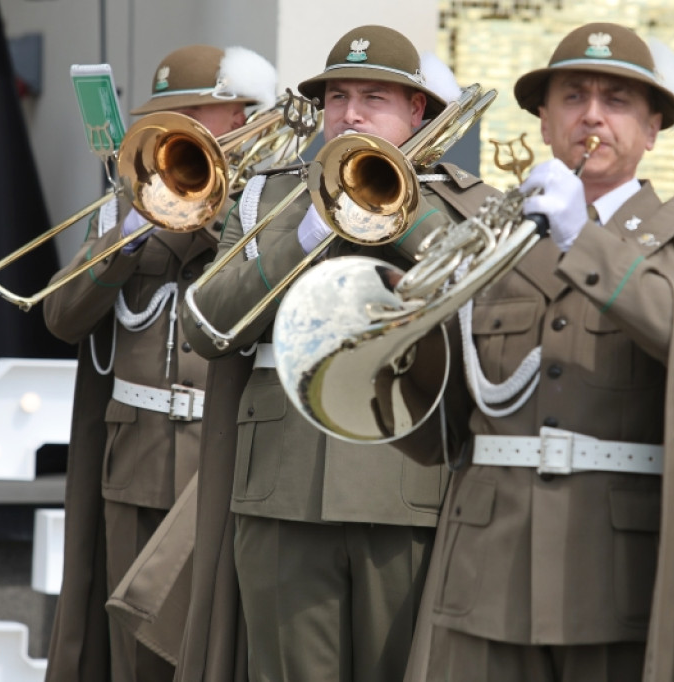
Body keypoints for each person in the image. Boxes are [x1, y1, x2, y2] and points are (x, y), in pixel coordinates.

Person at [400, 21, 674, 682]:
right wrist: (401, 337)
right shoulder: (488, 243)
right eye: (572, 97)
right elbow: (445, 428)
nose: (592, 114)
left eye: (616, 100)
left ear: (653, 129)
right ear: (543, 122)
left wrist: (582, 241)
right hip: (488, 573)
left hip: (617, 583)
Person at [179, 25, 497, 682]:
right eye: (337, 97)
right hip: (281, 488)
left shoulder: (466, 202)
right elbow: (209, 328)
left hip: (403, 486)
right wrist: (310, 228)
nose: (350, 114)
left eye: (374, 98)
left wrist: (399, 220)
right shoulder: (269, 194)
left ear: (416, 112)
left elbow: (488, 324)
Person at [42, 44, 276, 682]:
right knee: (133, 650)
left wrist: (209, 209)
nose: (188, 133)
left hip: (221, 467)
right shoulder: (127, 203)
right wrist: (122, 241)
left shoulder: (270, 205)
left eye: (204, 117)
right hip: (135, 463)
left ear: (243, 118)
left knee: (215, 648)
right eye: (175, 119)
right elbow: (62, 318)